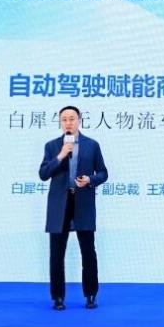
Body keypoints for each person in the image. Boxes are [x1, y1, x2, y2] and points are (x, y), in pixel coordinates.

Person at [39, 105, 108, 310]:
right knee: (56, 253)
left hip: (83, 203)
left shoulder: (92, 145)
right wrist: (61, 155)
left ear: (79, 120)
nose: (68, 122)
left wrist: (90, 179)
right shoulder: (52, 146)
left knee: (88, 252)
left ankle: (91, 295)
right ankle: (58, 297)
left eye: (72, 118)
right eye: (64, 119)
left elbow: (103, 173)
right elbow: (43, 174)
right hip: (59, 205)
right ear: (60, 122)